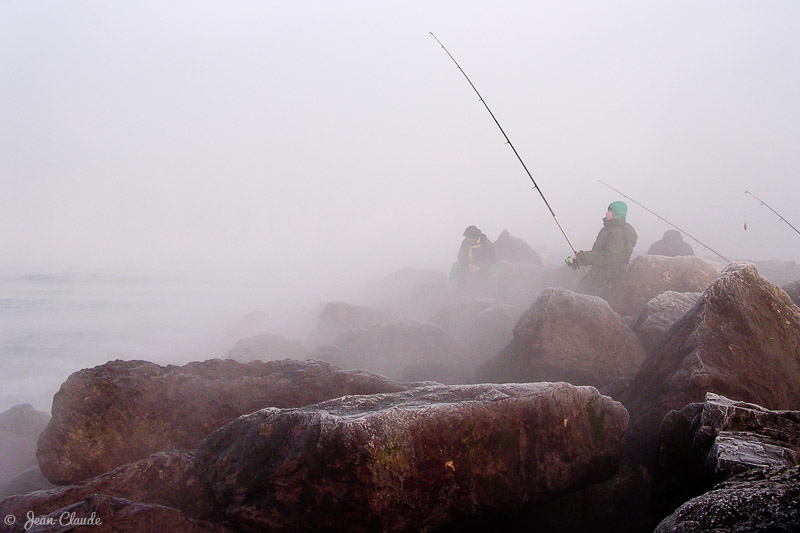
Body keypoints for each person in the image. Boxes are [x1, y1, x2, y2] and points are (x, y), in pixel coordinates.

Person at [571, 201, 638, 296]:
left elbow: (610, 257)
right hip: (601, 272)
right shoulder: (608, 229)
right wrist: (580, 260)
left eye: (610, 211)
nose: (606, 213)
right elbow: (599, 252)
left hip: (608, 274)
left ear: (616, 214)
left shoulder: (617, 233)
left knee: (581, 293)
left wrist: (584, 257)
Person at [448, 225, 497, 295]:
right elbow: (460, 256)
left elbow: (491, 258)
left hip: (482, 267)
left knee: (493, 268)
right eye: (466, 237)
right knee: (456, 265)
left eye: (468, 237)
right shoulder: (465, 242)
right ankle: (451, 289)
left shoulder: (486, 243)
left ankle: (492, 292)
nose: (467, 239)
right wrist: (468, 265)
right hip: (468, 266)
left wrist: (480, 267)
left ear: (474, 236)